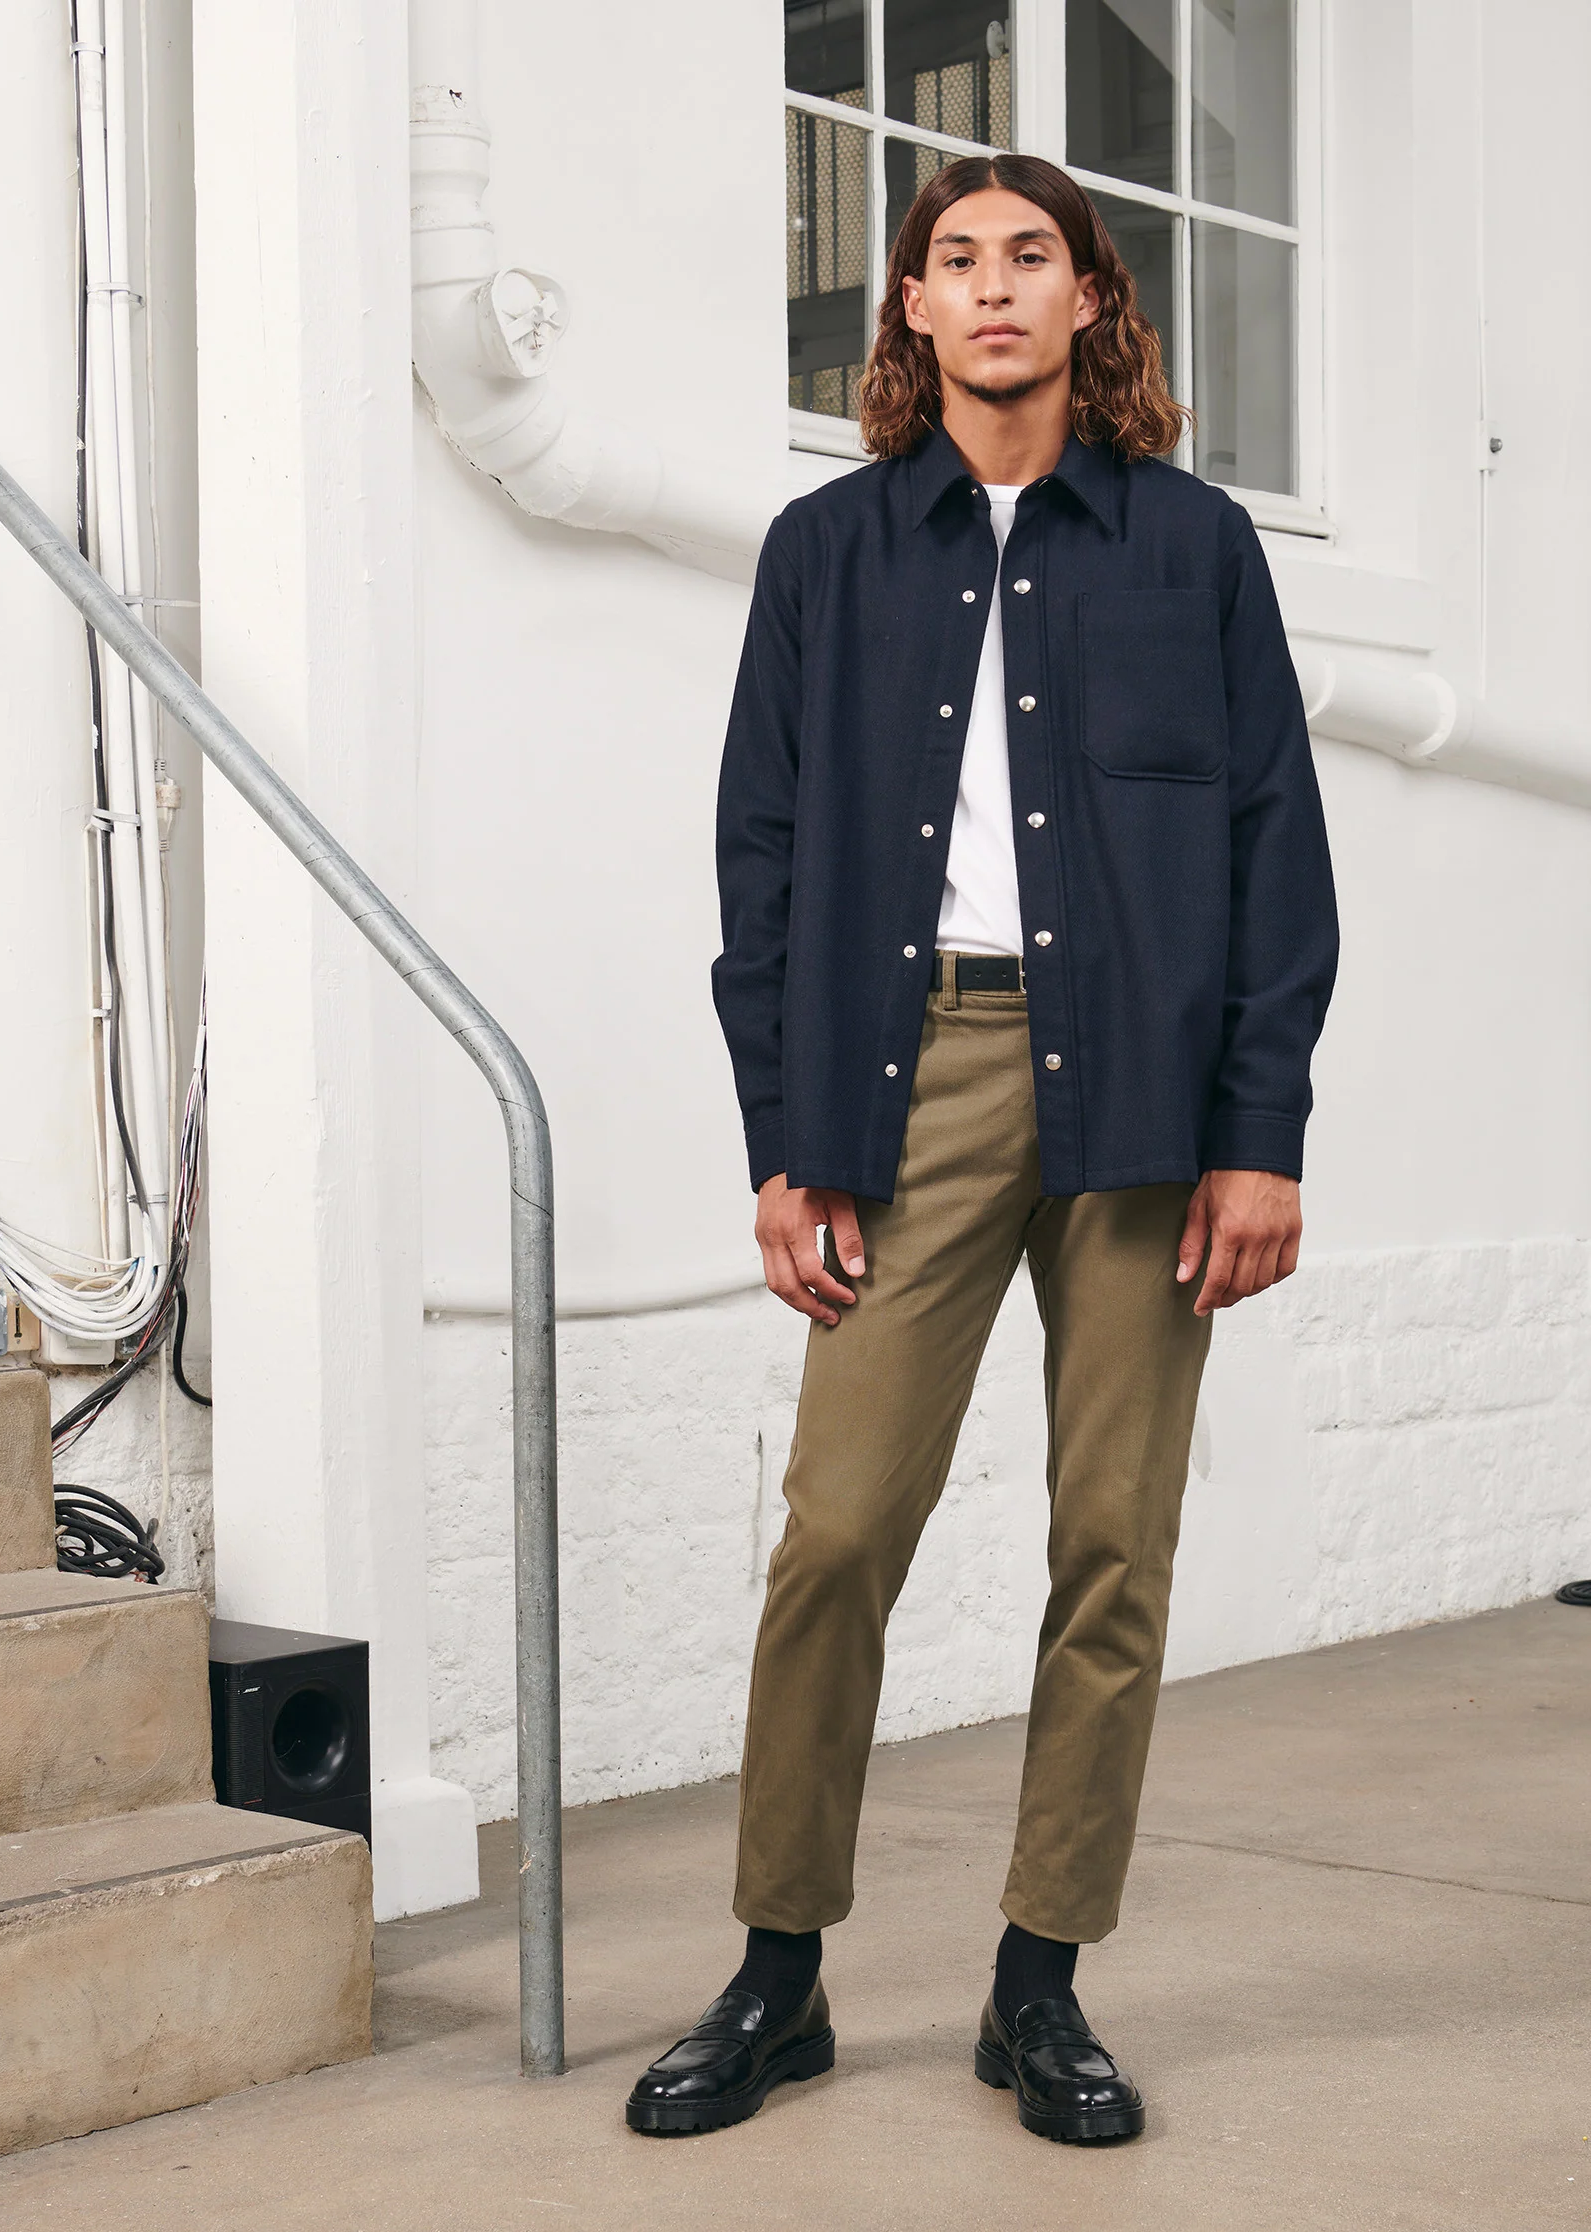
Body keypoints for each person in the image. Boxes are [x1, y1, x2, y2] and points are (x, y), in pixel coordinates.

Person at [626, 152, 1338, 2146]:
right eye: (959, 260)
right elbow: (762, 861)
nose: (999, 286)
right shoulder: (827, 554)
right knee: (839, 1529)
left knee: (1113, 1542)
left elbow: (1276, 847)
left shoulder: (1194, 549)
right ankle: (779, 1971)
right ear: (914, 312)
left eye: (1035, 255)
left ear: (1092, 299)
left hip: (1149, 1097)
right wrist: (787, 1140)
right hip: (903, 1078)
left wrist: (1259, 1131)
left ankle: (1041, 1982)